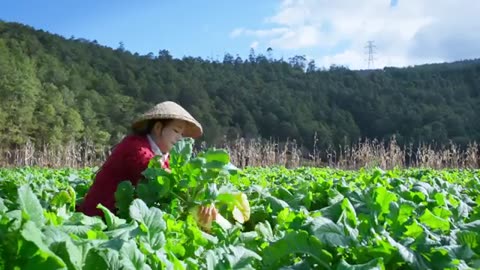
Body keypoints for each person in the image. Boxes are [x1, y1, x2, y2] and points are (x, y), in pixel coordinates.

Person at [77, 101, 218, 223]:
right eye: (176, 131)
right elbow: (160, 177)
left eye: (182, 134)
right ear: (158, 128)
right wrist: (200, 199)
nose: (179, 138)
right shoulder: (135, 147)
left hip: (123, 219)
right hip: (99, 218)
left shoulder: (164, 157)